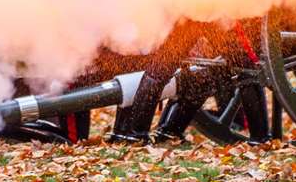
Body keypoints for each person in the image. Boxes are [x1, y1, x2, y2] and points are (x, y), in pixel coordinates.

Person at [110, 19, 269, 144]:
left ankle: (137, 134)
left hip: (188, 11)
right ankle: (260, 138)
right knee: (247, 71)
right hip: (214, 10)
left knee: (157, 73)